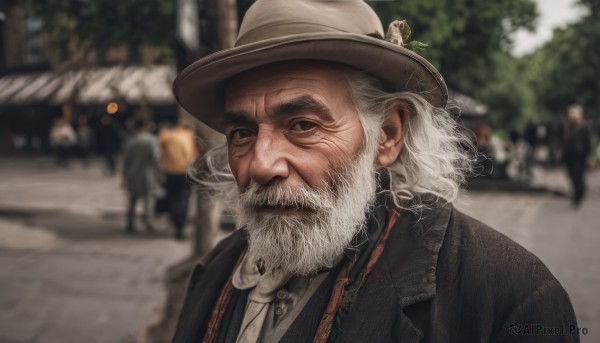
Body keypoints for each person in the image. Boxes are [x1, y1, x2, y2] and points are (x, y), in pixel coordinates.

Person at [172, 1, 579, 342]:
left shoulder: (508, 295)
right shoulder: (215, 273)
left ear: (387, 134)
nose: (261, 164)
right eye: (241, 132)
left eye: (303, 126)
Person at [158, 119, 197, 239]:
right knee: (184, 200)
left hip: (170, 173)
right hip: (185, 173)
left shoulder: (167, 136)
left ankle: (176, 223)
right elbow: (193, 156)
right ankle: (180, 225)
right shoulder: (189, 136)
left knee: (173, 199)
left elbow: (159, 149)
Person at [121, 119, 161, 233]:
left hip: (132, 174)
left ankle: (130, 222)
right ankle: (148, 222)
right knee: (149, 199)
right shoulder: (152, 140)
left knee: (132, 199)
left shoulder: (130, 141)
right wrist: (159, 172)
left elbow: (125, 160)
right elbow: (156, 158)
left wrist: (124, 175)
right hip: (148, 174)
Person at [562, 104, 592, 207]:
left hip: (580, 156)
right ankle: (578, 192)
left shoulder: (584, 126)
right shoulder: (567, 126)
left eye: (575, 114)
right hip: (568, 155)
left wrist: (589, 156)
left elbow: (588, 143)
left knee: (577, 176)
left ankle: (579, 194)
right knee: (571, 175)